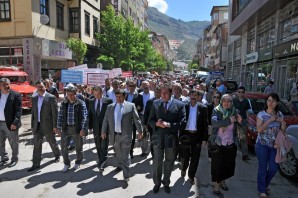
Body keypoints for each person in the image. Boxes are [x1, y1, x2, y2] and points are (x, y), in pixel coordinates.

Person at [148, 83, 186, 194]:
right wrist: (157, 124)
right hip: (158, 137)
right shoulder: (155, 103)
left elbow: (182, 123)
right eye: (161, 93)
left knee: (169, 162)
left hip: (171, 138)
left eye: (165, 93)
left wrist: (169, 125)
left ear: (171, 93)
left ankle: (166, 182)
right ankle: (157, 183)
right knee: (157, 161)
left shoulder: (179, 105)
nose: (162, 95)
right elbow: (150, 121)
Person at [101, 89, 143, 182]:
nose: (118, 98)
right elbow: (105, 120)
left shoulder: (130, 106)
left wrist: (140, 131)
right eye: (117, 96)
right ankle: (120, 165)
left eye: (120, 96)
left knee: (125, 155)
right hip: (114, 135)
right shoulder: (110, 107)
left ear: (124, 96)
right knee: (118, 154)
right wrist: (103, 131)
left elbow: (137, 120)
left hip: (126, 135)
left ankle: (126, 175)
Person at [255, 93, 286, 198]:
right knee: (263, 168)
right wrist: (270, 120)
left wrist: (283, 125)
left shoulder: (280, 114)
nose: (270, 103)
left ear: (277, 103)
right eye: (269, 100)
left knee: (274, 168)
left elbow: (282, 132)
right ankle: (262, 190)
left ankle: (264, 184)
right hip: (262, 145)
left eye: (273, 100)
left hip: (275, 146)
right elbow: (259, 130)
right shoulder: (261, 114)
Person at [210, 94, 242, 194]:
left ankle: (223, 181)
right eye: (224, 101)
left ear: (231, 103)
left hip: (230, 143)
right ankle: (217, 185)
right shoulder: (217, 110)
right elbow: (215, 123)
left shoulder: (235, 111)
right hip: (218, 143)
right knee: (217, 165)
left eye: (229, 101)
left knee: (228, 165)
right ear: (221, 102)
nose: (226, 103)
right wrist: (229, 120)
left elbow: (243, 123)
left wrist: (241, 120)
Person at [28, 80, 60, 172]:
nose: (40, 88)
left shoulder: (51, 97)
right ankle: (36, 164)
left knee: (52, 142)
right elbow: (33, 113)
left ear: (45, 87)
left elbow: (55, 113)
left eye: (41, 87)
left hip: (48, 125)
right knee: (37, 145)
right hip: (37, 126)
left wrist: (55, 126)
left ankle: (57, 154)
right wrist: (32, 125)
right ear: (36, 88)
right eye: (38, 87)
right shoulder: (34, 98)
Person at [56, 85, 88, 173]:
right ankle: (66, 163)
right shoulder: (64, 103)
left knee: (78, 147)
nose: (70, 96)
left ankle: (78, 162)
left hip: (77, 129)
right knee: (63, 147)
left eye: (72, 94)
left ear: (75, 94)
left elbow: (84, 117)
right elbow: (60, 116)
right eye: (68, 94)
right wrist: (58, 128)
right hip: (66, 129)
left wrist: (83, 129)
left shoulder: (81, 103)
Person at [180, 90, 208, 185]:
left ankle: (191, 175)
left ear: (198, 97)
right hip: (186, 135)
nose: (193, 97)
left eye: (195, 95)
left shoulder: (203, 108)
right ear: (189, 96)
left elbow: (205, 124)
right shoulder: (185, 106)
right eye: (192, 95)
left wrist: (204, 139)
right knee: (185, 156)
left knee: (195, 158)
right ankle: (184, 168)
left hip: (197, 136)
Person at [88, 86, 113, 171]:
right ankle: (101, 159)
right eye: (95, 94)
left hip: (105, 127)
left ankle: (102, 162)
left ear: (102, 92)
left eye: (98, 94)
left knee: (104, 145)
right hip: (95, 127)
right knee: (98, 145)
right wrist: (89, 126)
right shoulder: (91, 101)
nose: (97, 96)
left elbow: (111, 115)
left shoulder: (108, 101)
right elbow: (90, 115)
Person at [0, 78, 22, 167]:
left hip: (10, 124)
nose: (6, 86)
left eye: (7, 84)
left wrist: (15, 123)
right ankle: (4, 158)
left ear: (10, 84)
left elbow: (18, 111)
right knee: (0, 143)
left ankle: (14, 159)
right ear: (0, 86)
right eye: (3, 85)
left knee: (13, 142)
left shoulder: (15, 95)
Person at [125, 80, 144, 158]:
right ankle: (126, 150)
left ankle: (131, 151)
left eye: (133, 86)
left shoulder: (139, 96)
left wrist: (134, 110)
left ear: (135, 86)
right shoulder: (125, 95)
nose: (132, 88)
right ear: (128, 86)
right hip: (125, 118)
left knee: (132, 136)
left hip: (134, 118)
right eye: (130, 86)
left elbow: (141, 107)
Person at [233, 86, 251, 161]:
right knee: (234, 137)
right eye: (239, 92)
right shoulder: (234, 100)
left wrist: (247, 120)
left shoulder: (246, 101)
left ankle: (245, 155)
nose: (240, 93)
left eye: (242, 92)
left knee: (243, 138)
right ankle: (233, 152)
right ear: (237, 92)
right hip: (234, 121)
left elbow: (247, 111)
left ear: (244, 93)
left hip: (243, 121)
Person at [143, 85, 161, 159]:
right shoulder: (150, 101)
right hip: (152, 124)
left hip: (161, 124)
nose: (157, 93)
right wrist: (145, 124)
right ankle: (153, 155)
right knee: (153, 140)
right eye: (156, 92)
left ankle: (159, 154)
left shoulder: (164, 101)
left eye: (159, 92)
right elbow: (146, 113)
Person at [139, 81, 155, 157]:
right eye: (144, 85)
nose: (145, 86)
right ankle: (144, 150)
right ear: (141, 86)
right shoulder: (139, 95)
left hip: (152, 116)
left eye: (147, 85)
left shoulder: (153, 94)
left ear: (149, 85)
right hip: (143, 116)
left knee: (152, 134)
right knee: (144, 134)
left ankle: (152, 150)